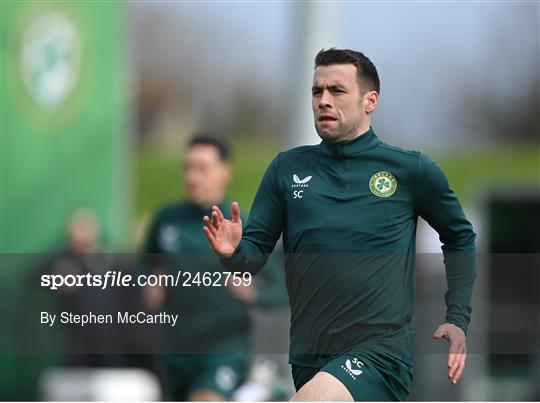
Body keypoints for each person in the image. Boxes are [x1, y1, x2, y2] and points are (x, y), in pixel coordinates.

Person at [202, 48, 477, 401]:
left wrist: (457, 317)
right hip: (308, 355)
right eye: (317, 92)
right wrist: (231, 253)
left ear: (370, 100)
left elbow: (459, 236)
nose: (323, 100)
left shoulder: (411, 169)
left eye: (337, 91)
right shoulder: (286, 169)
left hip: (380, 353)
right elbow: (251, 258)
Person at [142, 134, 287, 401]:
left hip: (223, 349)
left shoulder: (244, 226)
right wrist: (148, 284)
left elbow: (283, 289)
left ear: (225, 172)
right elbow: (144, 265)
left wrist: (253, 293)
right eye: (188, 168)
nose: (192, 177)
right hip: (174, 347)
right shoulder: (167, 220)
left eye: (202, 168)